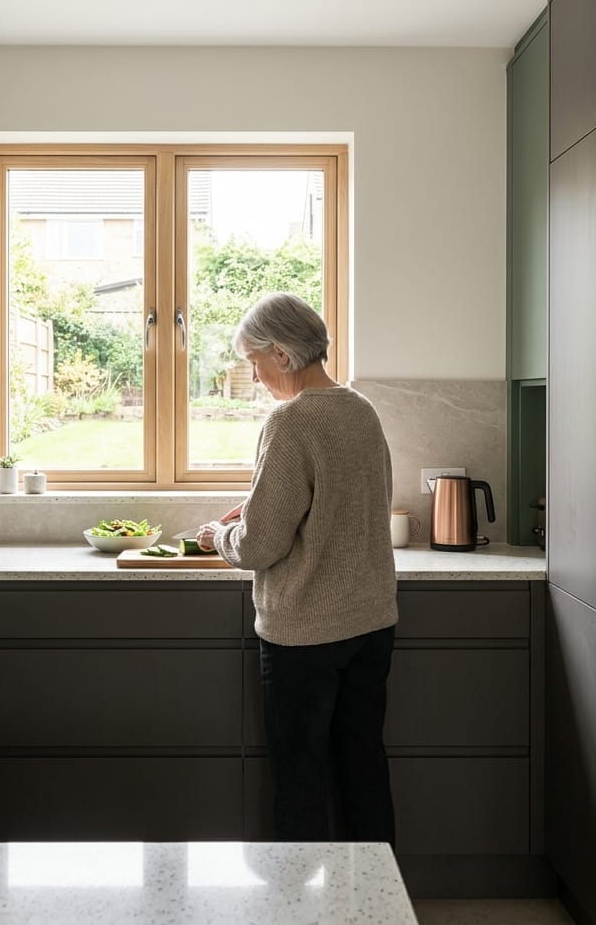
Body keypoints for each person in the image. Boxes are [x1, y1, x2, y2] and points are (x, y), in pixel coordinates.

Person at [196, 292, 398, 846]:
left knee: (300, 774)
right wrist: (261, 506)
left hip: (306, 634)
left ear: (282, 354)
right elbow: (348, 502)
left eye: (254, 362)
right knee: (363, 765)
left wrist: (220, 536)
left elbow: (257, 548)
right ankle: (377, 891)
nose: (255, 377)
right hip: (371, 624)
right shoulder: (360, 408)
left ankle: (297, 892)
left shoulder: (289, 420)